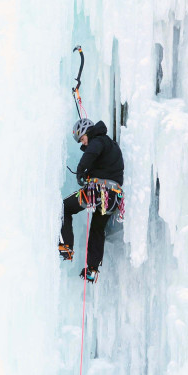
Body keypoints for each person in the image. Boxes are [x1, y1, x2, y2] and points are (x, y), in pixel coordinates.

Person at [59, 118, 124, 282]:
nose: (83, 143)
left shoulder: (98, 140)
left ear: (87, 132)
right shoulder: (109, 145)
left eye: (82, 138)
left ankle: (66, 246)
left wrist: (81, 171)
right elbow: (102, 164)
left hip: (100, 192)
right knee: (97, 228)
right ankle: (92, 269)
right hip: (112, 199)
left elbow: (92, 152)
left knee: (64, 208)